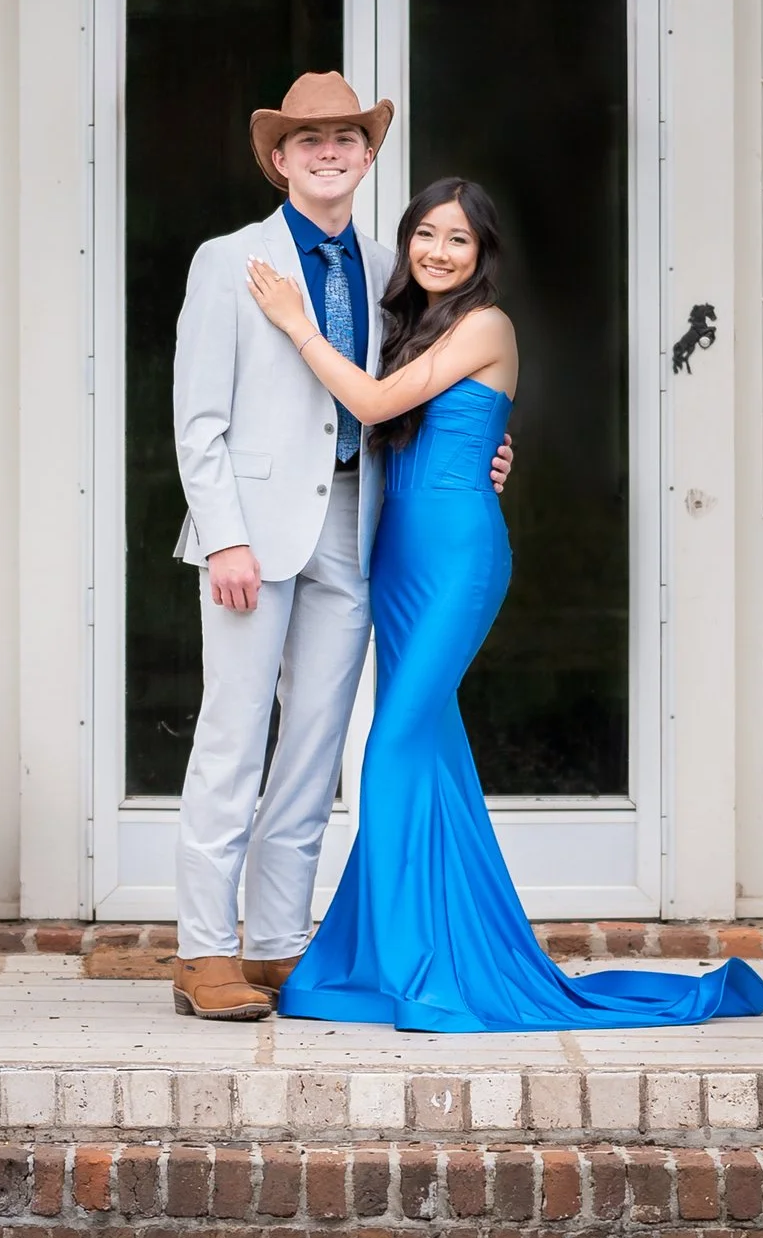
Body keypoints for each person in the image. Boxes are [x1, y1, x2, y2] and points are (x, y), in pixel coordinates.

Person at [247, 176, 763, 1033]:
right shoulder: (407, 326)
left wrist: (299, 326)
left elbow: (375, 402)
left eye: (457, 239)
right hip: (396, 554)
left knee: (388, 750)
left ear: (483, 252)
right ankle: (413, 956)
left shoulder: (488, 323)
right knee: (433, 756)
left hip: (457, 556)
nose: (438, 252)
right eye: (425, 234)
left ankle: (421, 963)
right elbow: (398, 423)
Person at [167, 69, 511, 1023]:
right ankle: (203, 951)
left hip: (359, 531)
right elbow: (197, 420)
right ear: (279, 158)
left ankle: (277, 944)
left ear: (368, 157)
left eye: (347, 138)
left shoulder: (386, 270)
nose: (330, 151)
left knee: (317, 745)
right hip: (254, 538)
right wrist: (224, 537)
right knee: (233, 738)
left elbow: (422, 391)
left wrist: (488, 445)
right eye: (309, 138)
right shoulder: (227, 261)